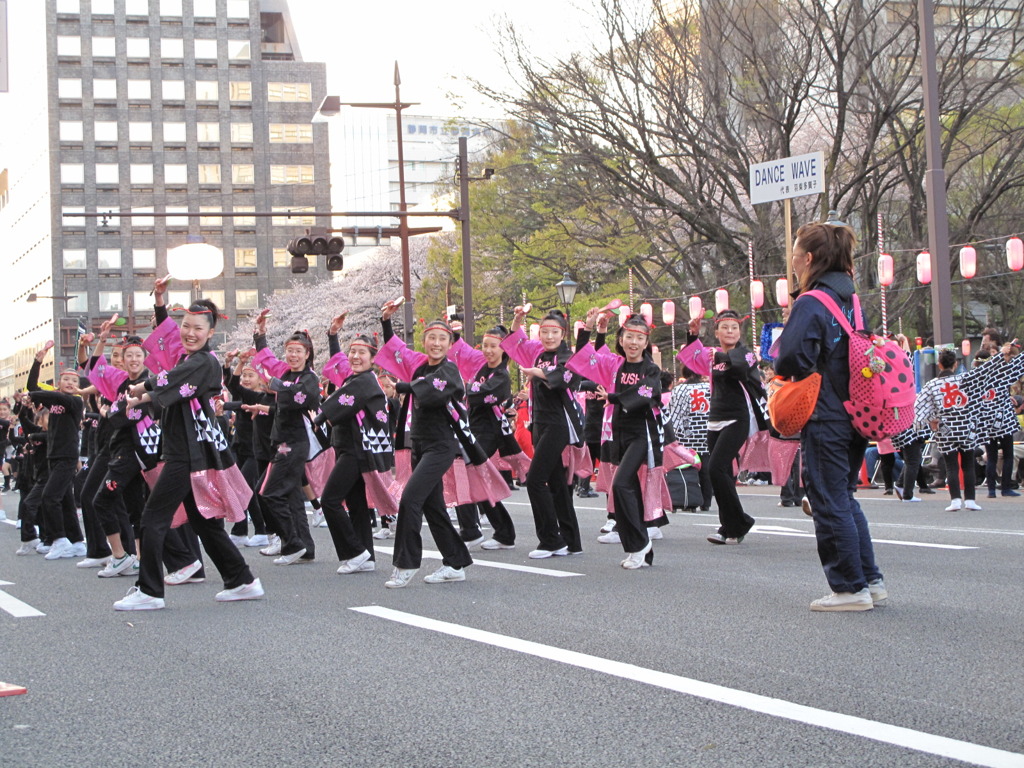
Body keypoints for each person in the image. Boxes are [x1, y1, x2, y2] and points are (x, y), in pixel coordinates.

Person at [115, 299, 263, 610]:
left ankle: (150, 591)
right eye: (185, 326)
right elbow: (169, 387)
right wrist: (159, 307)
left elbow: (166, 382)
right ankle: (242, 580)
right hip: (187, 451)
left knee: (153, 518)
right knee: (203, 523)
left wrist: (140, 389)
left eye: (197, 328)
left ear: (210, 333)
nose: (189, 333)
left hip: (187, 454)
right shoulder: (189, 361)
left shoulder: (203, 362)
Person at [775, 221, 885, 612]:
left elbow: (790, 357)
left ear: (808, 258)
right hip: (858, 410)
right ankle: (870, 580)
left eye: (794, 253)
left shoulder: (811, 302)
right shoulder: (851, 300)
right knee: (844, 496)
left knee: (826, 497)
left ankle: (848, 588)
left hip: (824, 413)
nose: (791, 260)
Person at [375, 301, 474, 587]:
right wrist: (385, 322)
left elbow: (433, 390)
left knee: (410, 499)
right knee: (434, 508)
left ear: (450, 343)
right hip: (419, 445)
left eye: (442, 338)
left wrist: (403, 387)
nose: (436, 343)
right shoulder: (420, 367)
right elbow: (397, 352)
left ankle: (406, 564)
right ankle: (455, 563)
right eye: (431, 337)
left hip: (441, 447)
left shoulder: (449, 371)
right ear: (425, 340)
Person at [569, 309, 664, 568]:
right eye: (628, 337)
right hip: (617, 433)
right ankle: (642, 547)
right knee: (625, 490)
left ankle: (640, 544)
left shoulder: (650, 369)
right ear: (620, 339)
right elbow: (584, 358)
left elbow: (647, 393)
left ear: (646, 342)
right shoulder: (614, 364)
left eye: (639, 338)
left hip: (641, 434)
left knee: (621, 485)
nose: (633, 343)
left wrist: (614, 398)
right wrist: (587, 328)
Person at [676, 309, 766, 545]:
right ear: (716, 332)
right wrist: (692, 335)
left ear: (739, 331)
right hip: (715, 417)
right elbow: (692, 359)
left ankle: (739, 521)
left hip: (737, 418)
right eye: (724, 328)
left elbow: (739, 369)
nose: (729, 331)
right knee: (721, 473)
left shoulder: (746, 355)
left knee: (715, 468)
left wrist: (720, 358)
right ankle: (730, 526)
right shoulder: (711, 355)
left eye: (734, 328)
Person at [502, 307, 585, 558]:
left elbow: (560, 378)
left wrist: (537, 372)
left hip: (559, 425)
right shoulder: (537, 354)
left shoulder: (568, 357)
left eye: (554, 332)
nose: (549, 337)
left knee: (535, 480)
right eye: (544, 332)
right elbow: (516, 342)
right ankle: (572, 541)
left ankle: (551, 540)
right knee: (557, 483)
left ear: (563, 334)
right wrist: (517, 319)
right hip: (539, 424)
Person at [314, 330, 395, 574]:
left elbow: (337, 404)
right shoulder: (356, 379)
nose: (355, 356)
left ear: (373, 358)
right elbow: (338, 367)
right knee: (356, 504)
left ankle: (355, 551)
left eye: (362, 353)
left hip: (356, 451)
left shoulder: (365, 381)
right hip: (351, 448)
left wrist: (318, 417)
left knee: (329, 501)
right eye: (353, 352)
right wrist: (332, 336)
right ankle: (366, 556)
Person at [252, 311, 321, 565]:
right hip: (282, 441)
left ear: (307, 354)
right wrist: (260, 333)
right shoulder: (286, 373)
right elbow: (267, 361)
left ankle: (291, 544)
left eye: (298, 351)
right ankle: (305, 546)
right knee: (290, 496)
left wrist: (277, 387)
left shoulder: (309, 378)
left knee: (267, 492)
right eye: (289, 350)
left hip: (294, 443)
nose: (293, 355)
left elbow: (300, 398)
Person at [447, 321, 520, 550]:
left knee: (469, 477)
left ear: (504, 349)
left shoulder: (501, 375)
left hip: (489, 432)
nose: (488, 350)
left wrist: (465, 390)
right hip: (474, 429)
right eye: (485, 345)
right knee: (476, 480)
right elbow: (472, 393)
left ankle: (473, 530)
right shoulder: (482, 370)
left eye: (494, 346)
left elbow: (479, 396)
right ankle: (500, 532)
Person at [26, 340, 87, 560]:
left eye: (74, 380)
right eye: (66, 379)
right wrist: (38, 362)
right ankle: (78, 542)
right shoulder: (54, 402)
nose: (70, 383)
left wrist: (39, 394)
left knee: (49, 497)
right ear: (59, 382)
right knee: (66, 500)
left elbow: (44, 394)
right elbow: (32, 387)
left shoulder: (76, 402)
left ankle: (59, 539)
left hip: (67, 456)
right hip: (54, 455)